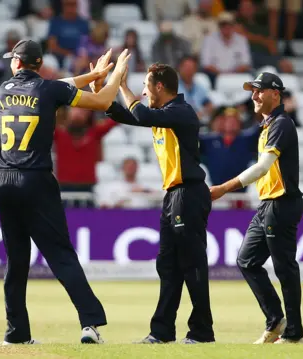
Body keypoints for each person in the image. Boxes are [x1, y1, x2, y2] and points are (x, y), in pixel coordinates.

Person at [0, 40, 129, 345]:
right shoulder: (48, 89)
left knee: (16, 260)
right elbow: (103, 102)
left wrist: (91, 76)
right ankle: (90, 323)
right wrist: (115, 75)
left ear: (17, 64)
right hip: (36, 179)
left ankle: (16, 333)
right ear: (39, 64)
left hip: (3, 179)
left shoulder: (5, 89)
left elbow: (58, 86)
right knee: (60, 254)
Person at [105, 63, 215, 344]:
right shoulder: (165, 115)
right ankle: (162, 331)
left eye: (146, 85)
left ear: (159, 87)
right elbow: (128, 116)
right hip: (174, 195)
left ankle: (202, 333)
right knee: (167, 265)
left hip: (188, 194)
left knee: (192, 264)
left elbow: (139, 113)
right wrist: (104, 99)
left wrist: (121, 85)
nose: (143, 91)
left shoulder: (181, 112)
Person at [210, 72, 303, 344]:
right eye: (252, 91)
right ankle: (276, 321)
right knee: (247, 261)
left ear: (275, 94)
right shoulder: (268, 125)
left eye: (259, 90)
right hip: (268, 204)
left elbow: (262, 167)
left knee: (284, 268)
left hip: (282, 203)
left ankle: (294, 334)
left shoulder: (282, 124)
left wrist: (223, 189)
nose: (253, 95)